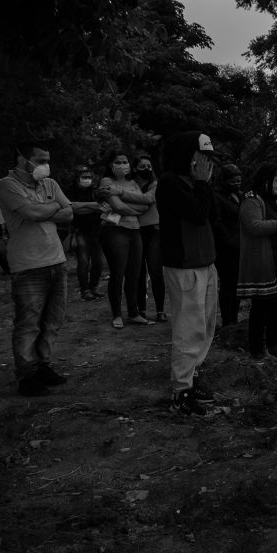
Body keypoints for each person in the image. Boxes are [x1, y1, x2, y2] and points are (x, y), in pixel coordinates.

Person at [0, 141, 73, 396]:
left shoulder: (49, 184)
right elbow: (31, 214)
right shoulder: (6, 185)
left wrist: (44, 211)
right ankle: (26, 375)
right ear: (22, 159)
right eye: (40, 160)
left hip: (56, 261)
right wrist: (52, 209)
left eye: (46, 160)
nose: (45, 165)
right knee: (29, 323)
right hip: (28, 265)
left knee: (52, 321)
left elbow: (69, 212)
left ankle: (43, 366)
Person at [158, 132, 220, 415]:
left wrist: (204, 185)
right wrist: (201, 185)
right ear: (188, 156)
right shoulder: (170, 183)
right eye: (202, 157)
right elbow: (196, 213)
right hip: (184, 266)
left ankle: (191, 376)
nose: (207, 163)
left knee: (205, 327)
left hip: (205, 263)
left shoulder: (197, 184)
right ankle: (180, 391)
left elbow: (210, 215)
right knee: (188, 329)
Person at [237, 164, 277, 361]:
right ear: (266, 180)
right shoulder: (252, 199)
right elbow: (254, 226)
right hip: (264, 262)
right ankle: (257, 350)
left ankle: (274, 344)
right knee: (261, 308)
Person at [96, 149, 155, 328]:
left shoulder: (133, 183)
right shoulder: (106, 182)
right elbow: (118, 207)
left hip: (135, 230)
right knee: (118, 273)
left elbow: (146, 204)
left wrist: (128, 202)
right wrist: (135, 208)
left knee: (134, 274)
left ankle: (133, 313)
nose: (123, 165)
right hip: (115, 230)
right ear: (111, 165)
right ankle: (117, 315)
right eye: (118, 162)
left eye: (125, 162)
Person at [132, 154, 166, 322]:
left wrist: (125, 199)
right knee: (139, 272)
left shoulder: (156, 184)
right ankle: (142, 310)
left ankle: (160, 310)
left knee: (155, 271)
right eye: (142, 166)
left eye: (149, 165)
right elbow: (142, 203)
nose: (147, 169)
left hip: (154, 230)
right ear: (134, 169)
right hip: (136, 230)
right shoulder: (131, 185)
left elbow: (148, 201)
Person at [66, 166, 105, 300]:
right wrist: (92, 206)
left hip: (97, 231)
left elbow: (102, 208)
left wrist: (82, 205)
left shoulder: (95, 191)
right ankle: (84, 290)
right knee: (83, 262)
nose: (87, 179)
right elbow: (72, 209)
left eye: (89, 177)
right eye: (84, 177)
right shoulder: (71, 192)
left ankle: (93, 287)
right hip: (80, 231)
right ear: (78, 178)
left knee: (98, 263)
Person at [212, 163, 243, 326]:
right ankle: (227, 320)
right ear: (224, 180)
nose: (237, 184)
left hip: (240, 246)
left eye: (239, 181)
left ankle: (235, 318)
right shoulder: (216, 196)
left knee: (238, 284)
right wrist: (229, 241)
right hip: (225, 247)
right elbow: (217, 222)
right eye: (233, 181)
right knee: (228, 284)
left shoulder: (240, 195)